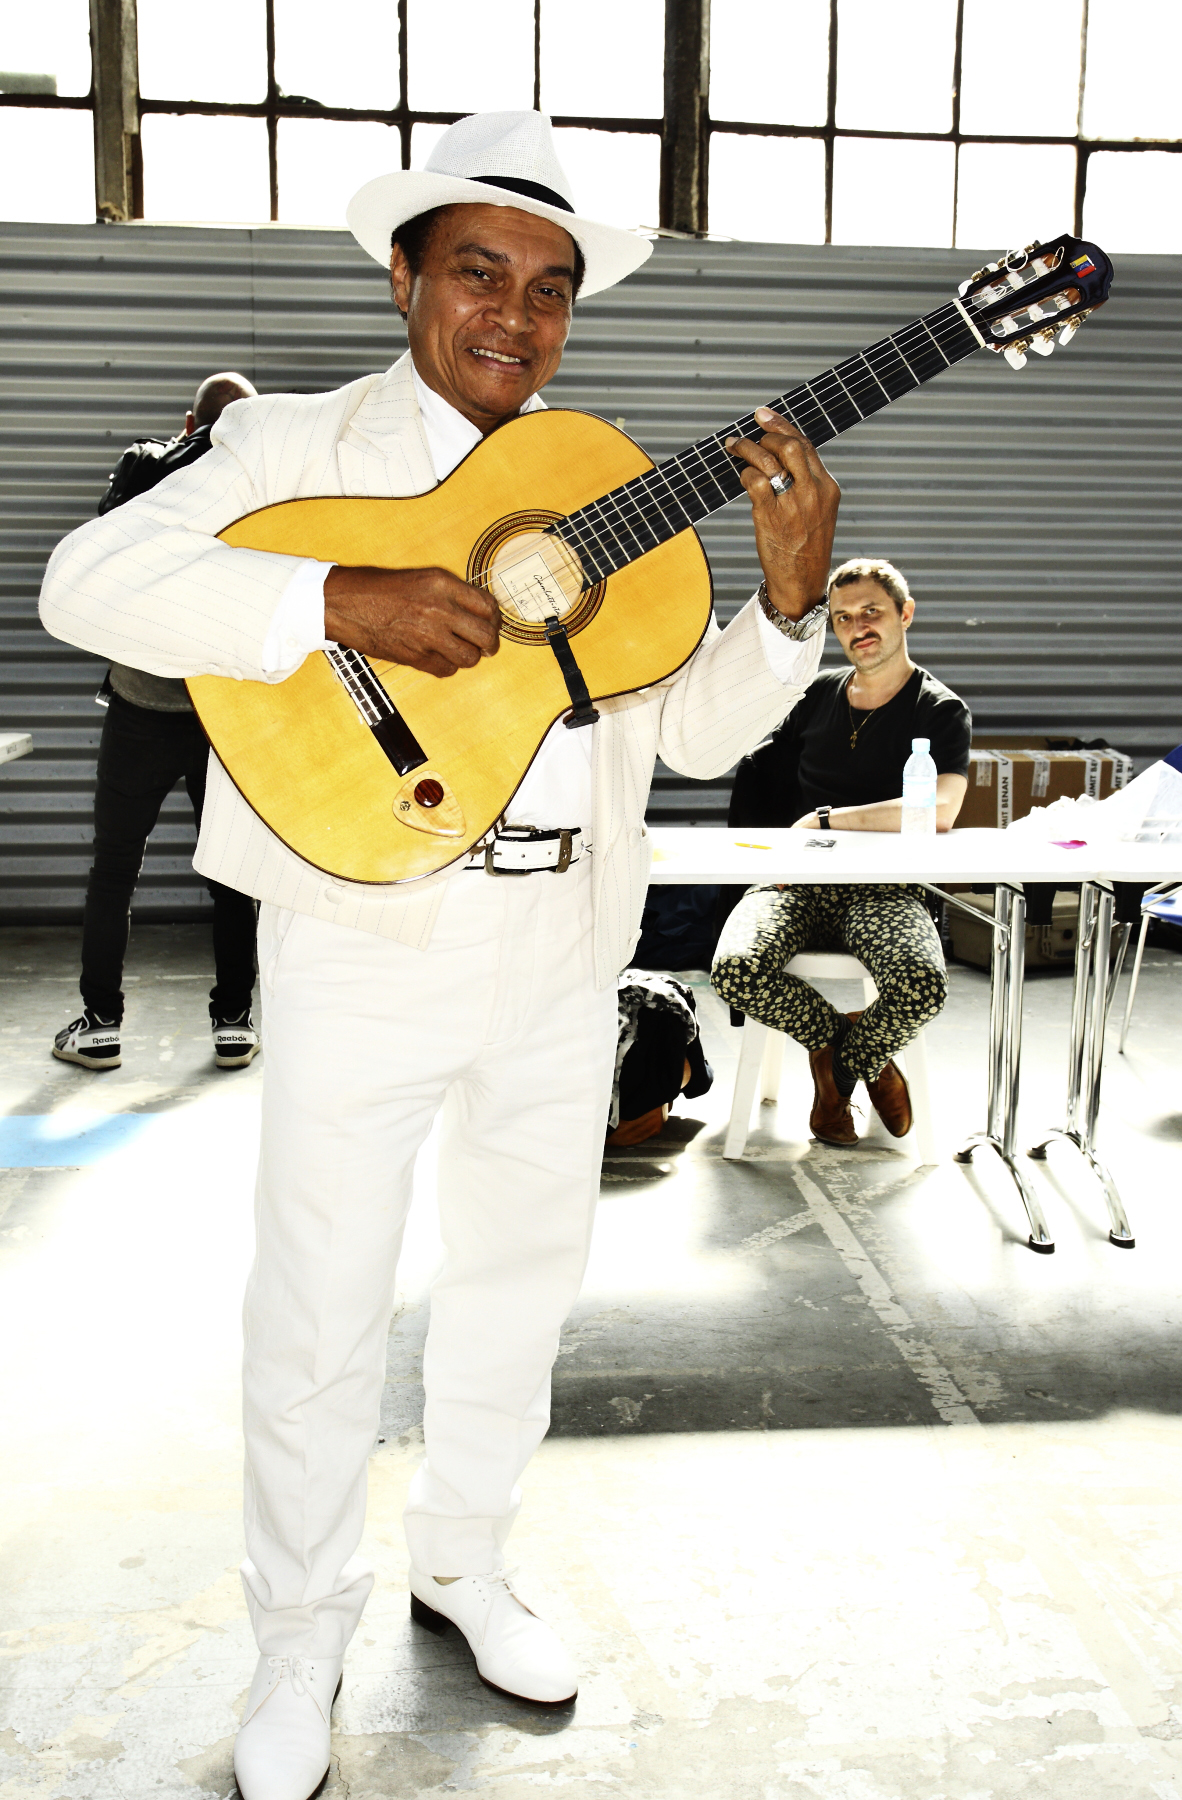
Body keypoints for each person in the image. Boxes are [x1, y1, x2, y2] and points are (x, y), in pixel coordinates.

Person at [39, 112, 840, 1800]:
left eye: (551, 289)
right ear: (404, 275)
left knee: (518, 1285)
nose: (517, 317)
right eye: (479, 271)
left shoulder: (611, 486)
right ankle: (295, 1637)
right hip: (361, 930)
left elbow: (684, 733)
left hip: (563, 946)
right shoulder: (300, 449)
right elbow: (87, 583)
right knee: (321, 1306)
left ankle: (463, 1561)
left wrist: (777, 614)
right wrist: (338, 598)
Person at [711, 557, 970, 1148]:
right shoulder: (818, 694)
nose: (859, 627)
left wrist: (830, 818)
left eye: (872, 612)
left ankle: (840, 1069)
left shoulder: (940, 710)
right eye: (845, 617)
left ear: (905, 614)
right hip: (796, 881)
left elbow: (938, 812)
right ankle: (844, 1050)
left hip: (883, 888)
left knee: (921, 984)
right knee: (733, 969)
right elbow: (757, 773)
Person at [51, 373, 262, 1073]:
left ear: (188, 420)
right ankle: (235, 1022)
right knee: (231, 873)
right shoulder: (268, 486)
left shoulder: (147, 464)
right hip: (225, 709)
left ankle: (100, 1026)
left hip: (143, 699)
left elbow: (101, 556)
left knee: (114, 869)